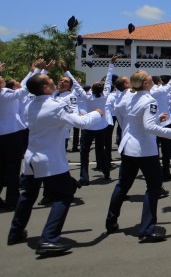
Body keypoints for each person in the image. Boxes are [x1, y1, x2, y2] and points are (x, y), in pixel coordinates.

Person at [7, 72, 103, 255]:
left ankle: (15, 231)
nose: (55, 84)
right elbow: (80, 123)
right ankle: (49, 239)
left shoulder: (29, 105)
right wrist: (97, 113)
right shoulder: (55, 106)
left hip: (31, 157)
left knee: (28, 196)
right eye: (51, 82)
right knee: (64, 196)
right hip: (49, 159)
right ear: (45, 87)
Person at [105, 70, 171, 243]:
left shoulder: (128, 97)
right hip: (144, 149)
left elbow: (135, 119)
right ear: (145, 83)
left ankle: (111, 220)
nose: (151, 79)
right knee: (153, 188)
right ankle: (147, 229)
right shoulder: (149, 100)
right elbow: (149, 128)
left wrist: (156, 119)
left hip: (129, 146)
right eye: (148, 78)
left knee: (122, 186)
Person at [63, 55, 117, 185]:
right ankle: (106, 172)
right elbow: (109, 79)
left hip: (89, 126)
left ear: (92, 89)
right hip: (102, 126)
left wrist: (66, 71)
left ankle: (84, 177)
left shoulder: (87, 97)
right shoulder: (105, 95)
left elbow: (75, 85)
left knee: (84, 152)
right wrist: (111, 64)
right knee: (101, 150)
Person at [0, 60, 40, 210]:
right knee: (13, 169)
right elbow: (25, 88)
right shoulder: (6, 95)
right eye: (3, 81)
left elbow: (22, 85)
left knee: (2, 167)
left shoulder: (5, 92)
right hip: (11, 133)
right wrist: (36, 72)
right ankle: (12, 200)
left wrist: (32, 71)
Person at [149, 57, 171, 181]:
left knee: (154, 148)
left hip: (153, 122)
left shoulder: (148, 92)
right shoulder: (159, 91)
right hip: (165, 121)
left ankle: (156, 171)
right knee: (166, 149)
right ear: (159, 82)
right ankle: (165, 172)